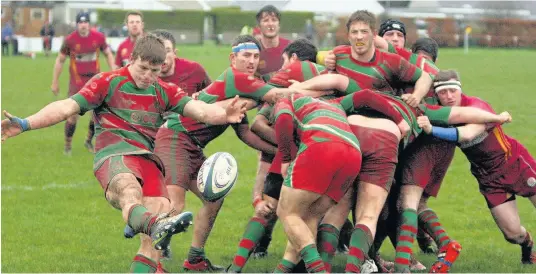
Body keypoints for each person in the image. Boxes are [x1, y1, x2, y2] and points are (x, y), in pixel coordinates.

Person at [1, 34, 249, 272]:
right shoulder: (107, 82)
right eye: (143, 68)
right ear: (132, 59)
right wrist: (25, 123)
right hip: (115, 156)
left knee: (153, 243)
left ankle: (151, 230)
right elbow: (67, 106)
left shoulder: (164, 90)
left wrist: (223, 114)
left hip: (150, 163)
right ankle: (153, 224)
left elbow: (202, 111)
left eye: (155, 71)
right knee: (129, 191)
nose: (148, 76)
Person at [418, 69, 536, 269]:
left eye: (452, 91)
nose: (448, 96)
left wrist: (431, 129)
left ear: (460, 90)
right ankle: (528, 247)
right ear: (436, 94)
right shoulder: (440, 113)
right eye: (443, 92)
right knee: (513, 234)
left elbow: (467, 134)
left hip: (514, 163)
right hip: (489, 179)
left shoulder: (477, 106)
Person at [50, 12, 116, 155]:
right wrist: (55, 82)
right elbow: (60, 60)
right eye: (80, 22)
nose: (83, 25)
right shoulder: (70, 40)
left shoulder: (99, 37)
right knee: (72, 115)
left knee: (96, 113)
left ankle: (88, 141)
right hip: (76, 83)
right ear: (77, 24)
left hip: (95, 82)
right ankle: (67, 145)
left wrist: (113, 71)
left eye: (86, 22)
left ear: (89, 24)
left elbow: (109, 54)